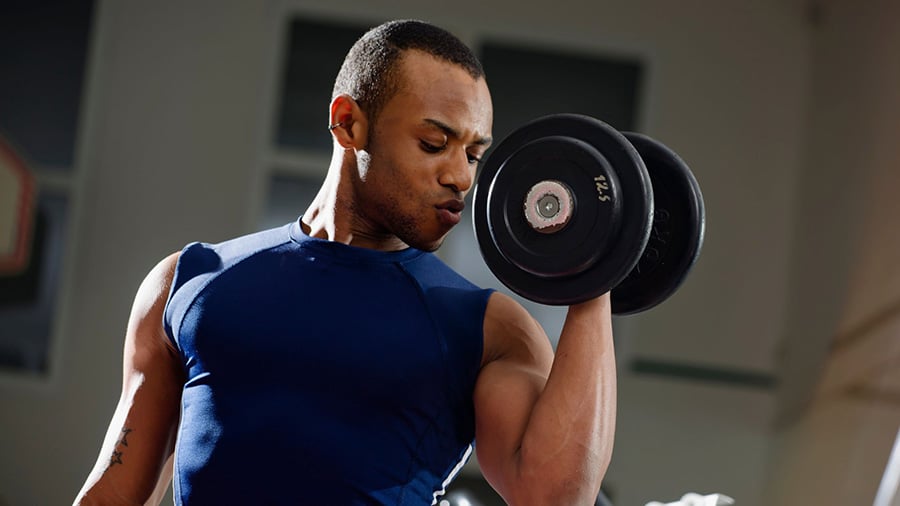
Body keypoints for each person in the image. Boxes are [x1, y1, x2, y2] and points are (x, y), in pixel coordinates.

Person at [75, 19, 616, 506]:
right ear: (348, 123)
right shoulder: (188, 283)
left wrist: (597, 275)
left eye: (473, 155)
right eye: (434, 144)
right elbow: (112, 497)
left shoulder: (489, 330)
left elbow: (553, 498)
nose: (462, 177)